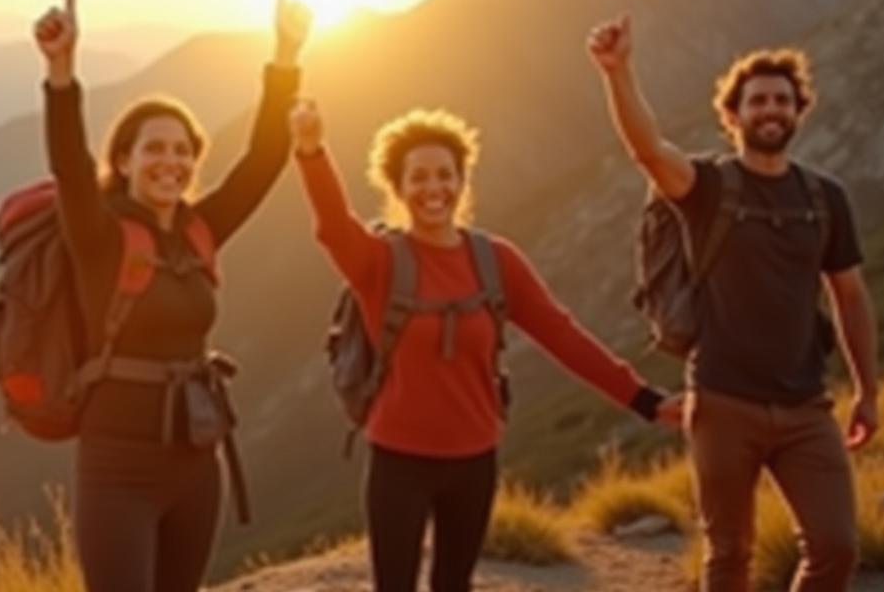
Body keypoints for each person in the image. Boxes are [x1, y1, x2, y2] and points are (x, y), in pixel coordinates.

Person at [289, 101, 680, 592]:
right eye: (419, 178)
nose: (434, 189)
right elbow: (332, 227)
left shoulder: (496, 261)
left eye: (446, 175)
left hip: (474, 459)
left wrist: (645, 401)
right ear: (398, 187)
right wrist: (310, 151)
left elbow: (562, 336)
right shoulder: (380, 263)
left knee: (455, 585)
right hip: (397, 461)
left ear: (462, 181)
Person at [32, 0, 309, 592]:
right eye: (154, 149)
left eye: (184, 151)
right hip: (116, 471)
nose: (171, 162)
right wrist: (61, 72)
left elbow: (265, 158)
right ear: (124, 161)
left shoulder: (200, 231)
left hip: (196, 462)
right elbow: (70, 165)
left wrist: (286, 56)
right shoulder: (99, 236)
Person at [587, 14, 878, 592]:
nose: (770, 110)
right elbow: (648, 150)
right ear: (733, 115)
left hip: (805, 407)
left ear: (799, 111)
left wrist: (868, 390)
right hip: (722, 402)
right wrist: (619, 73)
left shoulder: (826, 198)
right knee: (729, 555)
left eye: (782, 100)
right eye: (757, 101)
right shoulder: (707, 187)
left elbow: (850, 296)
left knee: (836, 548)